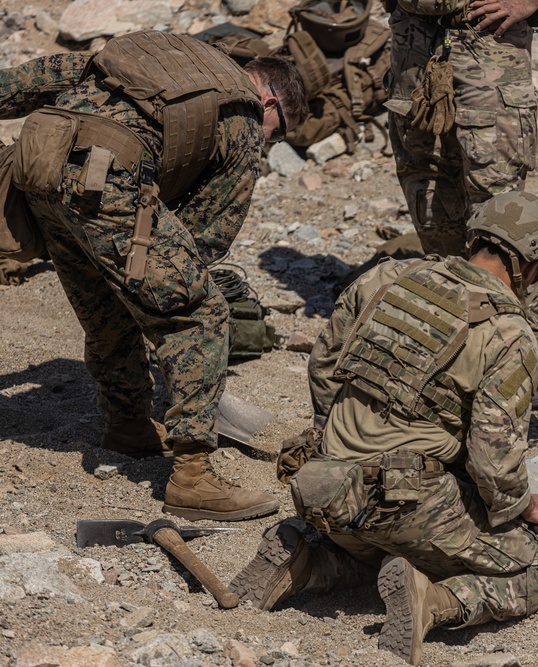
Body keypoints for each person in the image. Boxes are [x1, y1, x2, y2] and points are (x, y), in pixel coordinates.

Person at [228, 192, 538, 665]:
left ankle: (307, 560)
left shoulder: (388, 277)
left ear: (475, 239)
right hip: (405, 503)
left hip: (322, 489)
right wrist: (520, 505)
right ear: (532, 264)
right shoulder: (510, 333)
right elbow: (493, 456)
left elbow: (323, 364)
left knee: (387, 549)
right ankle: (434, 602)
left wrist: (335, 441)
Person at [0, 30, 308, 521]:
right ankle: (193, 477)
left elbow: (42, 75)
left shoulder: (166, 65)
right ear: (270, 100)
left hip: (37, 165)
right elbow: (208, 235)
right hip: (106, 177)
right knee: (200, 311)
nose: (271, 143)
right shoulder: (245, 114)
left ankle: (128, 425)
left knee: (105, 300)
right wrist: (163, 289)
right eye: (281, 130)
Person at [382, 0, 538, 409]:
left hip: (487, 44)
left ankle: (532, 349)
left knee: (503, 216)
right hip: (413, 48)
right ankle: (459, 336)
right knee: (429, 199)